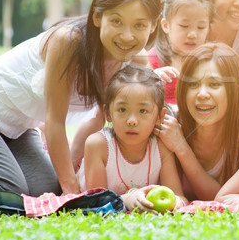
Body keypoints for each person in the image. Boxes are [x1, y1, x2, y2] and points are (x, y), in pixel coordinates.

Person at [0, 0, 162, 206]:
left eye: (139, 25)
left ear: (153, 25)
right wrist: (70, 191)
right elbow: (54, 121)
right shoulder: (68, 41)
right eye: (116, 21)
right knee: (8, 189)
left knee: (45, 188)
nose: (127, 35)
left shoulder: (135, 62)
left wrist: (73, 173)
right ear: (98, 17)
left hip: (18, 128)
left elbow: (98, 120)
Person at [77, 65, 187, 212]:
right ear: (108, 113)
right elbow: (96, 203)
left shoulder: (160, 147)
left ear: (159, 117)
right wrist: (126, 199)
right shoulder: (99, 145)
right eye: (122, 110)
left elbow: (178, 196)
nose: (132, 121)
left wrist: (176, 203)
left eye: (143, 111)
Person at [155, 43, 239, 201]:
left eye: (214, 84)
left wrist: (182, 147)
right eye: (193, 84)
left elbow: (220, 198)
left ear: (234, 91)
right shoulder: (169, 121)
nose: (202, 94)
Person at [147, 0, 214, 106]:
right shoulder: (151, 60)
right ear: (166, 25)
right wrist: (151, 79)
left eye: (201, 27)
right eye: (184, 26)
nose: (193, 34)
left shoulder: (209, 61)